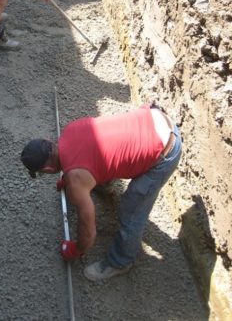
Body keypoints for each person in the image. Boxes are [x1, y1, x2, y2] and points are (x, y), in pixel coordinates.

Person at [20, 103, 182, 281]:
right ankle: (104, 186)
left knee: (130, 210)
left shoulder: (76, 181)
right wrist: (70, 179)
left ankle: (121, 261)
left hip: (165, 150)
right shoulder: (69, 131)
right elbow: (92, 154)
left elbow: (88, 231)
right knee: (104, 158)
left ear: (48, 169)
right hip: (154, 119)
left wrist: (76, 249)